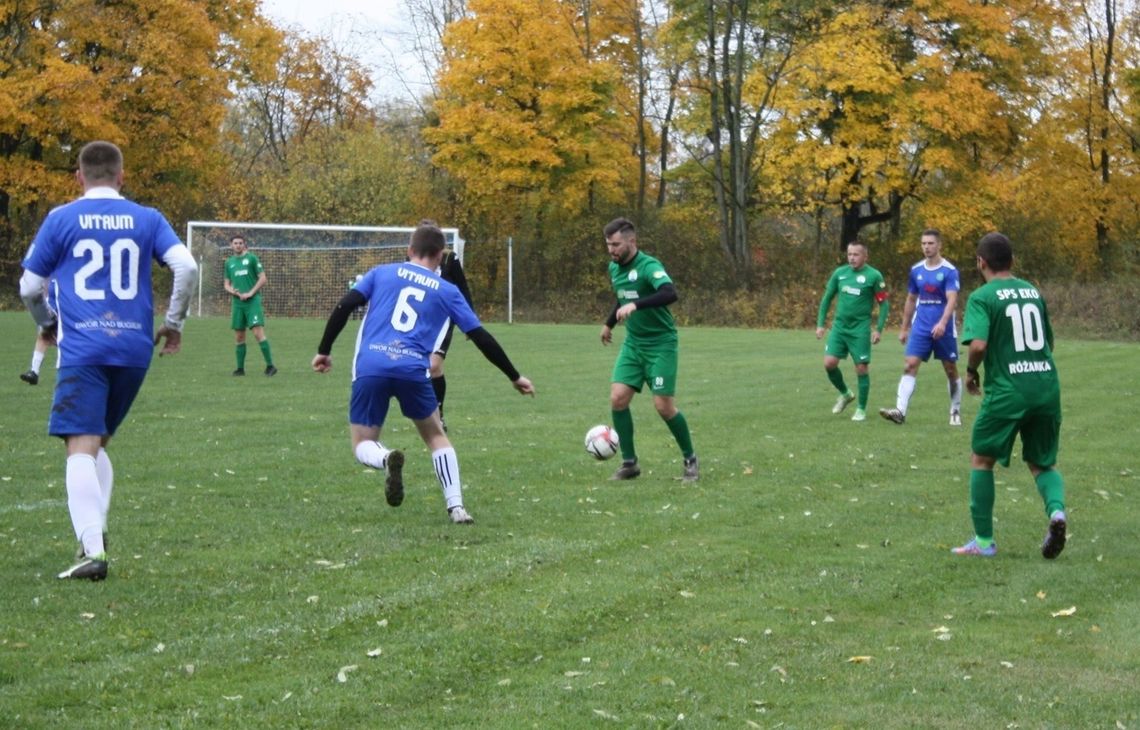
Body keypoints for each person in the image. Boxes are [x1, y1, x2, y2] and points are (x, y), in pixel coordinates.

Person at [19, 140, 198, 581]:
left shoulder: (61, 218)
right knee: (97, 442)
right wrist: (173, 322)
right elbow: (187, 267)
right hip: (134, 347)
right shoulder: (148, 218)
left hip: (84, 345)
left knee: (79, 445)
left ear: (79, 177)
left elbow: (28, 287)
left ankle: (91, 552)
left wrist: (47, 322)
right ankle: (94, 534)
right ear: (121, 176)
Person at [312, 221, 534, 524]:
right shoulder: (447, 290)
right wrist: (514, 375)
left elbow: (345, 304)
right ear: (441, 256)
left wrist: (324, 350)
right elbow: (480, 337)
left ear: (409, 250)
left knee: (363, 442)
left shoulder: (381, 273)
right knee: (436, 437)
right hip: (412, 370)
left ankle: (385, 457)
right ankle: (457, 507)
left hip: (371, 366)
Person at [951, 232, 1067, 559]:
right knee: (1043, 462)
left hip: (1008, 390)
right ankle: (1057, 513)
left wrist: (972, 371)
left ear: (980, 262)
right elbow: (1048, 343)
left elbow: (978, 344)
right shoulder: (1032, 291)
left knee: (982, 459)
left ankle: (984, 542)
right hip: (1045, 386)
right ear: (1012, 261)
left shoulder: (983, 297)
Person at [600, 217, 698, 482]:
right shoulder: (614, 267)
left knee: (664, 407)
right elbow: (622, 297)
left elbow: (670, 293)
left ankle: (690, 459)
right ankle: (629, 463)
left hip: (661, 344)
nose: (612, 250)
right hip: (633, 344)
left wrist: (638, 305)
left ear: (632, 241)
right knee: (618, 398)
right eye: (608, 244)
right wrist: (609, 324)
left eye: (616, 244)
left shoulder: (649, 266)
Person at [879, 229, 963, 426]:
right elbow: (911, 299)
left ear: (939, 245)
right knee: (909, 364)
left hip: (943, 326)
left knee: (950, 369)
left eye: (931, 243)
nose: (926, 247)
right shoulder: (916, 270)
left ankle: (955, 410)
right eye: (924, 243)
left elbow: (952, 299)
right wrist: (904, 328)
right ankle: (900, 411)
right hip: (921, 325)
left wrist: (942, 323)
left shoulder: (949, 271)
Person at [816, 239, 890, 421]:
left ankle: (861, 409)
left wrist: (878, 329)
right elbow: (826, 299)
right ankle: (846, 393)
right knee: (829, 364)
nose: (852, 258)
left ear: (865, 256)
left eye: (856, 254)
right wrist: (820, 324)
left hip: (860, 329)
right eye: (849, 254)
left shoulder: (874, 276)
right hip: (839, 327)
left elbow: (884, 304)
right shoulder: (840, 274)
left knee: (862, 368)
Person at [424, 223, 473, 432]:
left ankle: (438, 414)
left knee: (434, 365)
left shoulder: (449, 259)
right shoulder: (413, 259)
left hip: (444, 319)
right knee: (423, 368)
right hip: (421, 320)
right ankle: (426, 412)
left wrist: (469, 323)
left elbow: (463, 289)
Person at [224, 234, 276, 376]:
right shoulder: (229, 262)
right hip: (237, 303)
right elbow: (226, 284)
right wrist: (232, 291)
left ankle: (270, 366)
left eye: (240, 243)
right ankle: (240, 369)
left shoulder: (252, 258)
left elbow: (263, 278)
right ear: (231, 245)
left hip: (252, 302)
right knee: (239, 336)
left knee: (257, 333)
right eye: (235, 243)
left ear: (244, 244)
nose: (238, 245)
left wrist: (251, 293)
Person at [20, 284, 56, 385]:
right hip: (51, 305)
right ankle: (34, 372)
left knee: (65, 339)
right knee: (43, 337)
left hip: (64, 306)